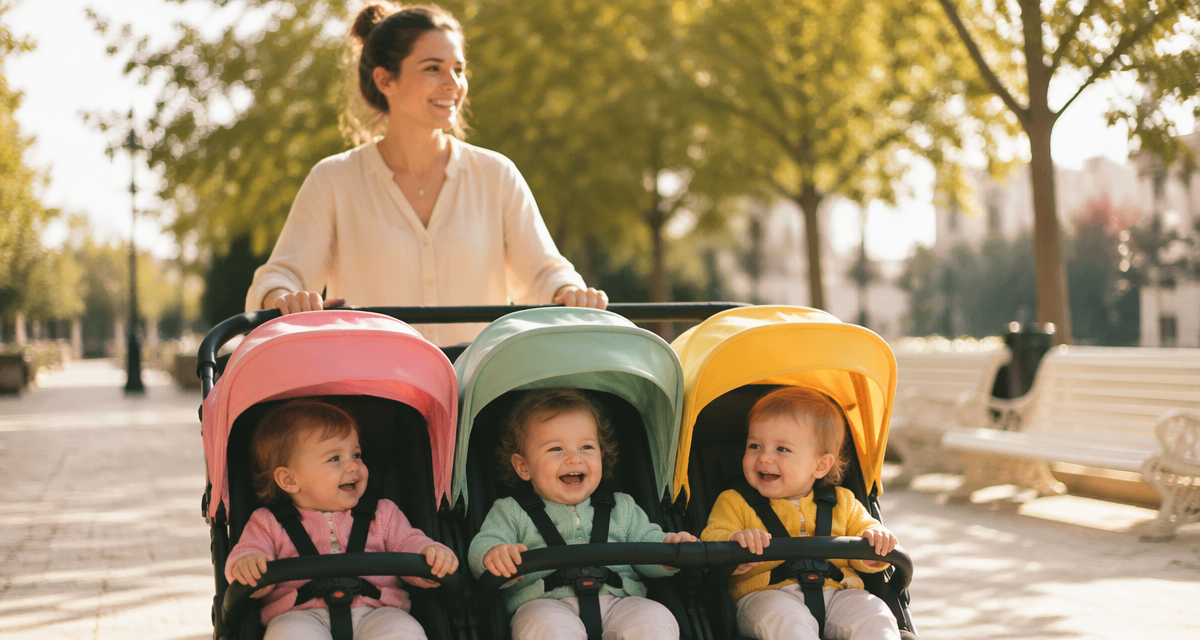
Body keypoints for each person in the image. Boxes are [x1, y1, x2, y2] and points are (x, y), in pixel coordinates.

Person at [245, 3, 607, 346]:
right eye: (433, 68)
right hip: (377, 395)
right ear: (386, 80)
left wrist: (568, 290)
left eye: (459, 69)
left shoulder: (496, 175)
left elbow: (546, 273)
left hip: (477, 390)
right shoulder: (333, 180)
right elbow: (280, 277)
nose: (453, 84)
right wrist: (284, 297)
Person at [468, 389, 698, 640]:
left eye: (586, 447)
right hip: (545, 604)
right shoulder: (511, 510)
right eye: (556, 449)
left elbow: (648, 543)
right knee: (546, 630)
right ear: (523, 466)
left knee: (656, 618)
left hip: (620, 602)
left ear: (602, 454)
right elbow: (484, 542)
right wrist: (494, 555)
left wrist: (670, 549)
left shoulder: (622, 507)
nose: (573, 458)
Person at [226, 399, 458, 640]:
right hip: (300, 615)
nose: (353, 466)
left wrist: (428, 553)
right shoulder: (268, 523)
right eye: (335, 458)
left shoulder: (383, 513)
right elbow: (249, 552)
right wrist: (248, 564)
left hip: (378, 611)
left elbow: (409, 543)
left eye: (356, 454)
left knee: (404, 631)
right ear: (289, 480)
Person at [701, 387, 901, 640]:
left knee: (874, 614)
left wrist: (876, 543)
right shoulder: (734, 502)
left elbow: (866, 535)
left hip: (838, 592)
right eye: (755, 445)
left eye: (781, 449)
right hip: (765, 596)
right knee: (788, 622)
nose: (764, 457)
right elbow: (710, 541)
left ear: (820, 465)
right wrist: (734, 545)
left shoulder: (844, 502)